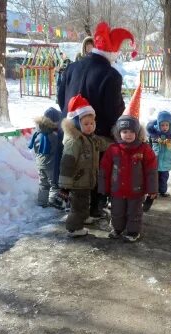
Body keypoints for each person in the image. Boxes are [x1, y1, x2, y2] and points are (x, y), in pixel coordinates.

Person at [57, 21, 136, 219]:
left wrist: (71, 118)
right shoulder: (111, 75)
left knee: (71, 164)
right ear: (112, 52)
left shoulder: (73, 66)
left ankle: (71, 205)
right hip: (96, 132)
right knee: (94, 171)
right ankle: (93, 209)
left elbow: (60, 97)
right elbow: (113, 110)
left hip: (69, 127)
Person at [99, 87, 158, 242]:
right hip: (117, 190)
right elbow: (104, 170)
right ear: (119, 133)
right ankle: (117, 228)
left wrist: (152, 190)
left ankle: (133, 231)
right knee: (117, 211)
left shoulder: (144, 149)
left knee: (134, 213)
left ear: (137, 133)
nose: (128, 135)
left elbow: (151, 170)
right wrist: (103, 189)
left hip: (136, 191)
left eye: (132, 132)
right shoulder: (113, 149)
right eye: (124, 132)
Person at [58, 94, 112, 237]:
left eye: (92, 123)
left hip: (86, 181)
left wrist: (116, 143)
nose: (90, 126)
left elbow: (103, 144)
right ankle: (73, 228)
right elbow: (67, 163)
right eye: (86, 124)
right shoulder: (74, 141)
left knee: (83, 203)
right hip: (77, 182)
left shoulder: (91, 139)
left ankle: (83, 218)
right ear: (76, 123)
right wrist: (64, 185)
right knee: (78, 207)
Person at [28, 106, 64, 209]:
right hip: (51, 165)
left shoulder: (37, 133)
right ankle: (54, 201)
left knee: (43, 184)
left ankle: (42, 202)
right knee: (54, 184)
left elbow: (34, 148)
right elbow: (59, 149)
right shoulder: (54, 136)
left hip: (40, 164)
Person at [146, 110, 171, 197]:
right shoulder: (153, 135)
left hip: (166, 163)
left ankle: (162, 191)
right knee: (154, 178)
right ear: (158, 124)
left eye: (167, 125)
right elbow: (147, 148)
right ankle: (153, 191)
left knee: (164, 178)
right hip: (154, 162)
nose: (164, 127)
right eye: (162, 125)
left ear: (170, 125)